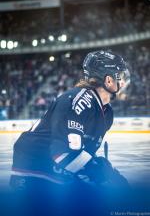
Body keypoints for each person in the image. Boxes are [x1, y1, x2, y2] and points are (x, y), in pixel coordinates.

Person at [10, 50, 131, 214]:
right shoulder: (79, 101)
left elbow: (78, 153)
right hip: (36, 170)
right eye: (120, 75)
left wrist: (102, 169)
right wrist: (101, 171)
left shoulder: (106, 112)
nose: (122, 81)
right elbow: (64, 154)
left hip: (58, 170)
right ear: (108, 80)